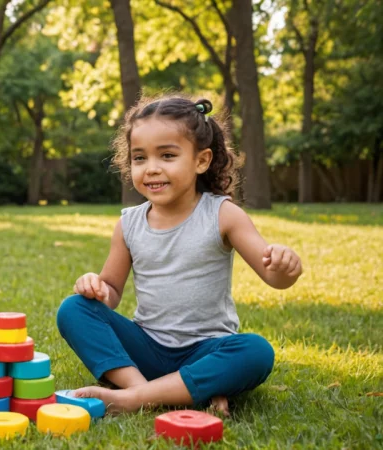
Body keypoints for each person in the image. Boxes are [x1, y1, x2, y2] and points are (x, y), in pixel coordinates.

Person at [56, 95, 302, 416]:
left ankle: (135, 397)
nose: (152, 169)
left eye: (168, 155)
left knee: (256, 352)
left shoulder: (223, 215)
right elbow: (111, 292)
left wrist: (285, 267)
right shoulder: (128, 224)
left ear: (201, 161)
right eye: (139, 158)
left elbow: (274, 276)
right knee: (73, 309)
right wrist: (95, 288)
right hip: (147, 349)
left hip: (207, 352)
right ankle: (154, 390)